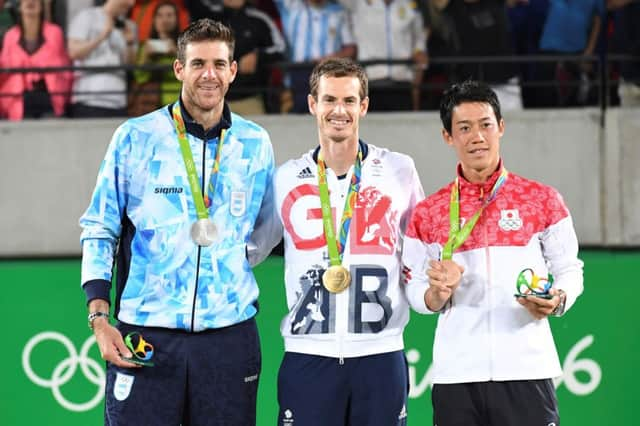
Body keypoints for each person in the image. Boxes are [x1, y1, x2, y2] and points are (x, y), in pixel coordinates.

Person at [79, 18, 278, 425]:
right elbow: (100, 227)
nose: (210, 74)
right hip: (146, 332)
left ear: (233, 71)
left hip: (229, 336)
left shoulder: (254, 143)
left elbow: (266, 227)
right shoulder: (136, 138)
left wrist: (227, 265)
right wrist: (99, 316)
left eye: (220, 64)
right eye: (199, 63)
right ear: (179, 69)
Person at [402, 80, 584, 426]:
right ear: (448, 137)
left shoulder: (542, 199)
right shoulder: (429, 212)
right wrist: (434, 294)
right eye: (464, 128)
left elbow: (570, 268)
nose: (477, 136)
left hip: (527, 370)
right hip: (457, 375)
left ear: (501, 127)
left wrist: (559, 298)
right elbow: (412, 288)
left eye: (486, 125)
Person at [273, 57, 424, 425]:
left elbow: (419, 249)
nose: (338, 110)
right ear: (312, 104)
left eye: (349, 101)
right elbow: (255, 246)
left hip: (381, 353)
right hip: (308, 353)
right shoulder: (286, 177)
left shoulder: (398, 170)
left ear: (364, 106)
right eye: (329, 100)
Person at [274, 0, 356, 113]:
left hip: (329, 78)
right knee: (297, 123)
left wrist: (330, 60)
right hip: (297, 78)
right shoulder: (291, 6)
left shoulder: (339, 12)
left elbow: (350, 49)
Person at [0, 0, 72, 120]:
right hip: (19, 96)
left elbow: (60, 63)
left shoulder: (54, 32)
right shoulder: (10, 36)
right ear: (19, 7)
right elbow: (5, 69)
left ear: (41, 6)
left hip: (48, 94)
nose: (30, 1)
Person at [67, 0, 137, 118]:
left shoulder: (130, 26)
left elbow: (130, 65)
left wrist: (129, 43)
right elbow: (74, 52)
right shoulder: (87, 16)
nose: (131, 3)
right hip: (88, 99)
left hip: (118, 101)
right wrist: (102, 36)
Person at [129, 0, 181, 115]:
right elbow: (140, 78)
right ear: (154, 19)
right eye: (160, 15)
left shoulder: (185, 46)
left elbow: (188, 75)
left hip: (176, 104)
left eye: (169, 15)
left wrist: (176, 53)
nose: (164, 20)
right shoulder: (145, 46)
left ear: (176, 19)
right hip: (150, 106)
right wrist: (146, 58)